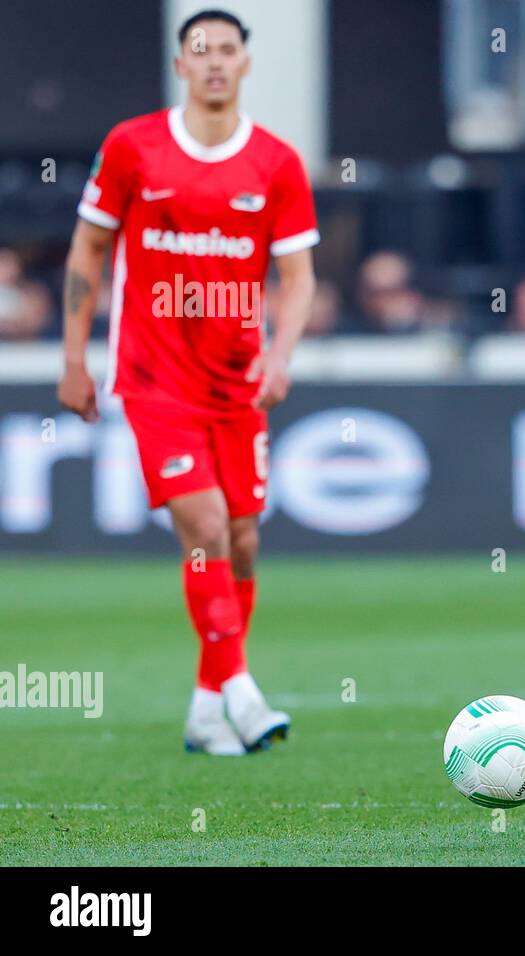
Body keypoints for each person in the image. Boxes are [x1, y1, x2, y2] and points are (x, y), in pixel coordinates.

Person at [58, 9, 318, 755]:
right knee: (202, 528)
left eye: (226, 51)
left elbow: (296, 277)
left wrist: (280, 351)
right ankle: (240, 686)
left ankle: (206, 709)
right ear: (180, 66)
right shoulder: (132, 147)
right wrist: (74, 357)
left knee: (239, 542)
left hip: (238, 383)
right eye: (198, 50)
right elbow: (87, 249)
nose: (212, 62)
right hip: (153, 376)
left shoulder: (274, 163)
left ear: (244, 64)